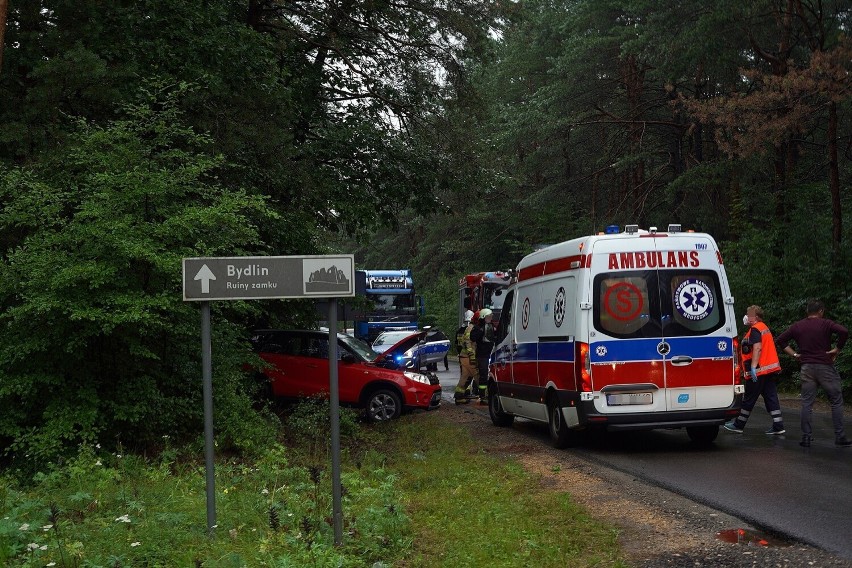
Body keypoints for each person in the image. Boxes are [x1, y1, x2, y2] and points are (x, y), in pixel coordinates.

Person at [775, 300, 851, 447]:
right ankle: (840, 436)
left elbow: (781, 340)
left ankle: (806, 437)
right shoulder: (826, 324)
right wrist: (837, 349)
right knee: (836, 400)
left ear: (807, 312)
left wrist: (796, 355)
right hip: (825, 367)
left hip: (807, 368)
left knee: (807, 403)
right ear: (821, 311)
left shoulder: (798, 326)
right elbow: (844, 331)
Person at [723, 305, 785, 434]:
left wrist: (753, 366)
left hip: (758, 371)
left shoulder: (756, 329)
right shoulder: (764, 328)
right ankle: (778, 425)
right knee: (771, 396)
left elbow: (757, 348)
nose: (746, 317)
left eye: (749, 315)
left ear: (755, 317)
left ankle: (739, 424)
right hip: (768, 370)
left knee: (749, 398)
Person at [454, 312, 479, 404]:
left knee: (464, 376)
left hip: (462, 355)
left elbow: (457, 343)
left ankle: (460, 395)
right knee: (477, 376)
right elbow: (469, 343)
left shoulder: (460, 330)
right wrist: (472, 355)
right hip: (469, 356)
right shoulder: (472, 329)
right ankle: (485, 396)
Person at [471, 308, 495, 403]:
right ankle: (482, 395)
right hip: (482, 355)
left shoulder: (491, 326)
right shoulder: (478, 327)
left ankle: (489, 393)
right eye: (489, 316)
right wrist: (481, 330)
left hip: (491, 353)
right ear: (484, 317)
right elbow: (472, 338)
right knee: (483, 375)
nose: (490, 318)